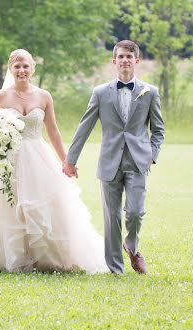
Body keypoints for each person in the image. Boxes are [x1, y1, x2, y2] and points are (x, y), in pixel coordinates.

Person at [0, 49, 108, 273]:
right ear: (10, 69)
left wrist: (66, 161)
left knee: (39, 205)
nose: (22, 70)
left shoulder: (44, 96)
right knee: (5, 206)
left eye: (25, 66)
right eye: (17, 66)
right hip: (7, 160)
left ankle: (44, 257)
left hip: (38, 158)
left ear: (32, 68)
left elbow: (52, 131)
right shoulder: (0, 97)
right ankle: (2, 256)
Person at [63, 40, 165, 274]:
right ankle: (115, 269)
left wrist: (152, 155)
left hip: (138, 161)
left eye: (129, 57)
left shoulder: (150, 92)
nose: (125, 60)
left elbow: (158, 130)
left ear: (137, 61)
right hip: (109, 161)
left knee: (135, 212)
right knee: (112, 217)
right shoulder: (100, 93)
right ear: (114, 61)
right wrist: (71, 160)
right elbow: (84, 127)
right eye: (121, 57)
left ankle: (131, 244)